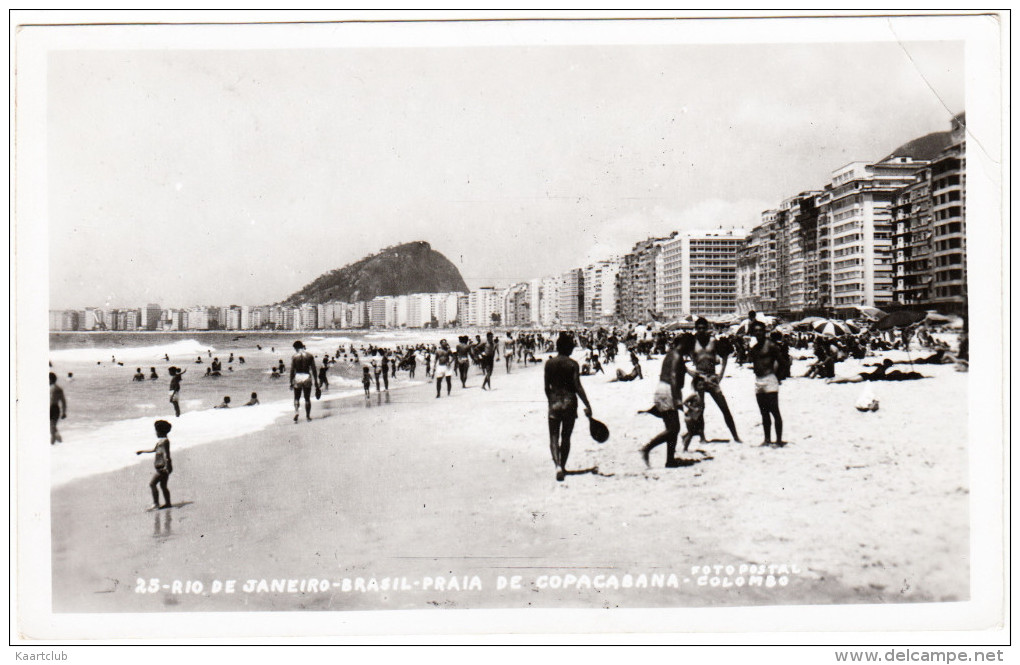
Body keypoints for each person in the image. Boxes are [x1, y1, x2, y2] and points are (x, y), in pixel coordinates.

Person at [544, 332, 593, 482]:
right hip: (570, 404)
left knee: (553, 436)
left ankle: (557, 466)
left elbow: (547, 387)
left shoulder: (549, 364)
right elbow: (578, 387)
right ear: (568, 348)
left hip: (555, 403)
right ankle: (563, 467)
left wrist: (551, 400)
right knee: (566, 437)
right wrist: (588, 405)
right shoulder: (573, 364)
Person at [685, 317, 741, 442]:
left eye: (703, 328)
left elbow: (725, 355)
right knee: (700, 410)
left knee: (724, 408)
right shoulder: (692, 342)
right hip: (699, 378)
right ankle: (702, 437)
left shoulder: (713, 341)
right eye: (698, 328)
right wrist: (690, 373)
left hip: (712, 377)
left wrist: (721, 374)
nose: (701, 330)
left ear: (707, 328)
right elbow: (678, 358)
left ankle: (736, 437)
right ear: (695, 329)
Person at [640, 334, 688, 468]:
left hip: (662, 389)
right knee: (674, 428)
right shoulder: (677, 356)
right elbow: (673, 377)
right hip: (668, 391)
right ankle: (647, 448)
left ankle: (670, 460)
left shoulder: (671, 354)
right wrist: (677, 399)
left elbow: (678, 371)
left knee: (672, 428)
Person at [749, 321, 784, 447]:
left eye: (760, 330)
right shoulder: (754, 348)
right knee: (764, 412)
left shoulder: (771, 345)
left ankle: (779, 440)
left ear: (765, 331)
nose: (758, 333)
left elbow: (782, 361)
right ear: (753, 333)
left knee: (775, 411)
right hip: (759, 381)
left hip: (770, 379)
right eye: (756, 331)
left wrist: (778, 377)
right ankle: (767, 439)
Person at [136, 419, 173, 510]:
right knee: (163, 486)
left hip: (162, 468)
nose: (155, 433)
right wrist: (143, 451)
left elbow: (166, 454)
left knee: (152, 484)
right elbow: (154, 450)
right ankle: (168, 503)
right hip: (161, 467)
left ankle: (156, 503)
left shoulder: (164, 441)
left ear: (160, 431)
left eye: (156, 431)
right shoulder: (160, 442)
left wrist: (167, 465)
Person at [826, 358, 926, 383]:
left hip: (867, 374)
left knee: (849, 379)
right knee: (849, 380)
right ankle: (835, 380)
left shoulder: (881, 367)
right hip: (867, 376)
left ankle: (835, 379)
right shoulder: (885, 370)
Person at [289, 341, 320, 422]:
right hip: (306, 376)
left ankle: (296, 412)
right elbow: (314, 369)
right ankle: (308, 416)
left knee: (296, 397)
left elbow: (292, 370)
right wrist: (316, 381)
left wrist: (291, 382)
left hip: (298, 377)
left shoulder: (294, 356)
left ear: (296, 347)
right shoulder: (309, 356)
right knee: (307, 398)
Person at [49, 372, 67, 444]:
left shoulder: (51, 388)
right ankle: (54, 446)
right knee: (52, 428)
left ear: (50, 380)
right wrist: (64, 412)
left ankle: (60, 442)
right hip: (56, 409)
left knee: (52, 428)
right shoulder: (59, 389)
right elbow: (63, 401)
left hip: (51, 408)